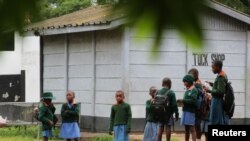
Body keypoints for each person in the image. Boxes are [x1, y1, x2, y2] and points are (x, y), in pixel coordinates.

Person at [204, 60, 229, 125]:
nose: (212, 69)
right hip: (217, 100)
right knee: (217, 119)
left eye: (213, 67)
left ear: (218, 67)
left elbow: (220, 91)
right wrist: (211, 84)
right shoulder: (222, 74)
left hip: (217, 101)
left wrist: (209, 91)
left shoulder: (221, 77)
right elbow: (219, 86)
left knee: (215, 120)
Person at [178, 75, 198, 141]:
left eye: (185, 82)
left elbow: (193, 100)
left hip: (190, 112)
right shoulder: (187, 90)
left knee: (192, 128)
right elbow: (186, 101)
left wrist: (183, 100)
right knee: (186, 129)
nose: (184, 84)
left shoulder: (194, 90)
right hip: (185, 111)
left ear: (189, 81)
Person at [188, 68, 202, 141]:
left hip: (197, 108)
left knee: (197, 125)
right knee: (196, 125)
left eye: (190, 75)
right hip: (196, 108)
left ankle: (198, 139)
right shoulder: (196, 83)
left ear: (195, 75)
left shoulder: (197, 84)